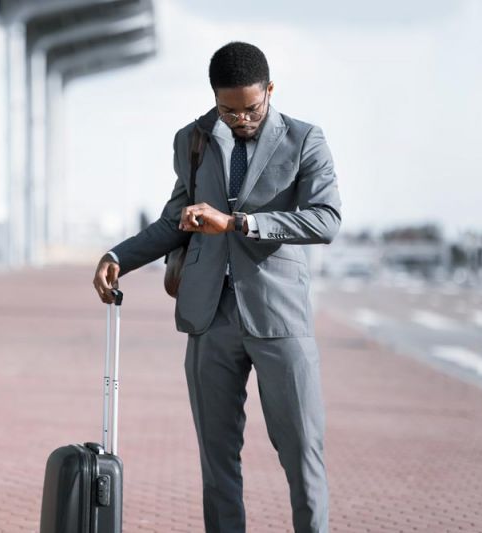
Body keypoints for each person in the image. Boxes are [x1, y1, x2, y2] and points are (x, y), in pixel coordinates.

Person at [92, 42, 341, 533]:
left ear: (270, 91)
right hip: (209, 318)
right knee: (218, 463)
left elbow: (326, 219)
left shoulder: (305, 139)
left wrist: (238, 224)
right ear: (214, 98)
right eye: (229, 109)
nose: (241, 118)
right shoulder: (193, 139)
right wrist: (118, 255)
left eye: (251, 108)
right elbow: (175, 221)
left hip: (279, 320)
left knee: (302, 456)